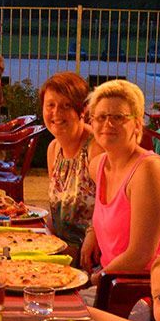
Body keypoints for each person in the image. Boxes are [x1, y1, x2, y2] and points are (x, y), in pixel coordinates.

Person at [81, 80, 160, 275]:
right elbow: (109, 214)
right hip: (112, 277)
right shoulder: (98, 165)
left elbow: (140, 256)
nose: (108, 124)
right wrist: (92, 233)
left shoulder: (148, 171)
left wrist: (93, 281)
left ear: (138, 124)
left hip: (151, 288)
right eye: (101, 117)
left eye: (118, 117)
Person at [42, 72, 97, 253]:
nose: (56, 113)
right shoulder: (53, 149)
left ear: (82, 111)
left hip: (90, 255)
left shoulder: (95, 148)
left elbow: (114, 210)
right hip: (59, 249)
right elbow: (56, 212)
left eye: (66, 106)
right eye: (51, 105)